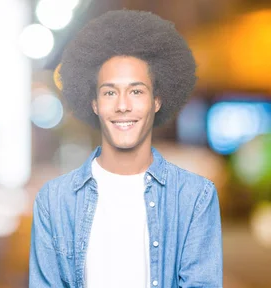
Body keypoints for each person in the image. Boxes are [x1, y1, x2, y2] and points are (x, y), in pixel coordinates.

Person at [29, 10, 222, 288]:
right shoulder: (53, 201)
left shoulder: (195, 198)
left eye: (136, 91)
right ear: (94, 103)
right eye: (109, 92)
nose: (122, 105)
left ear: (156, 100)